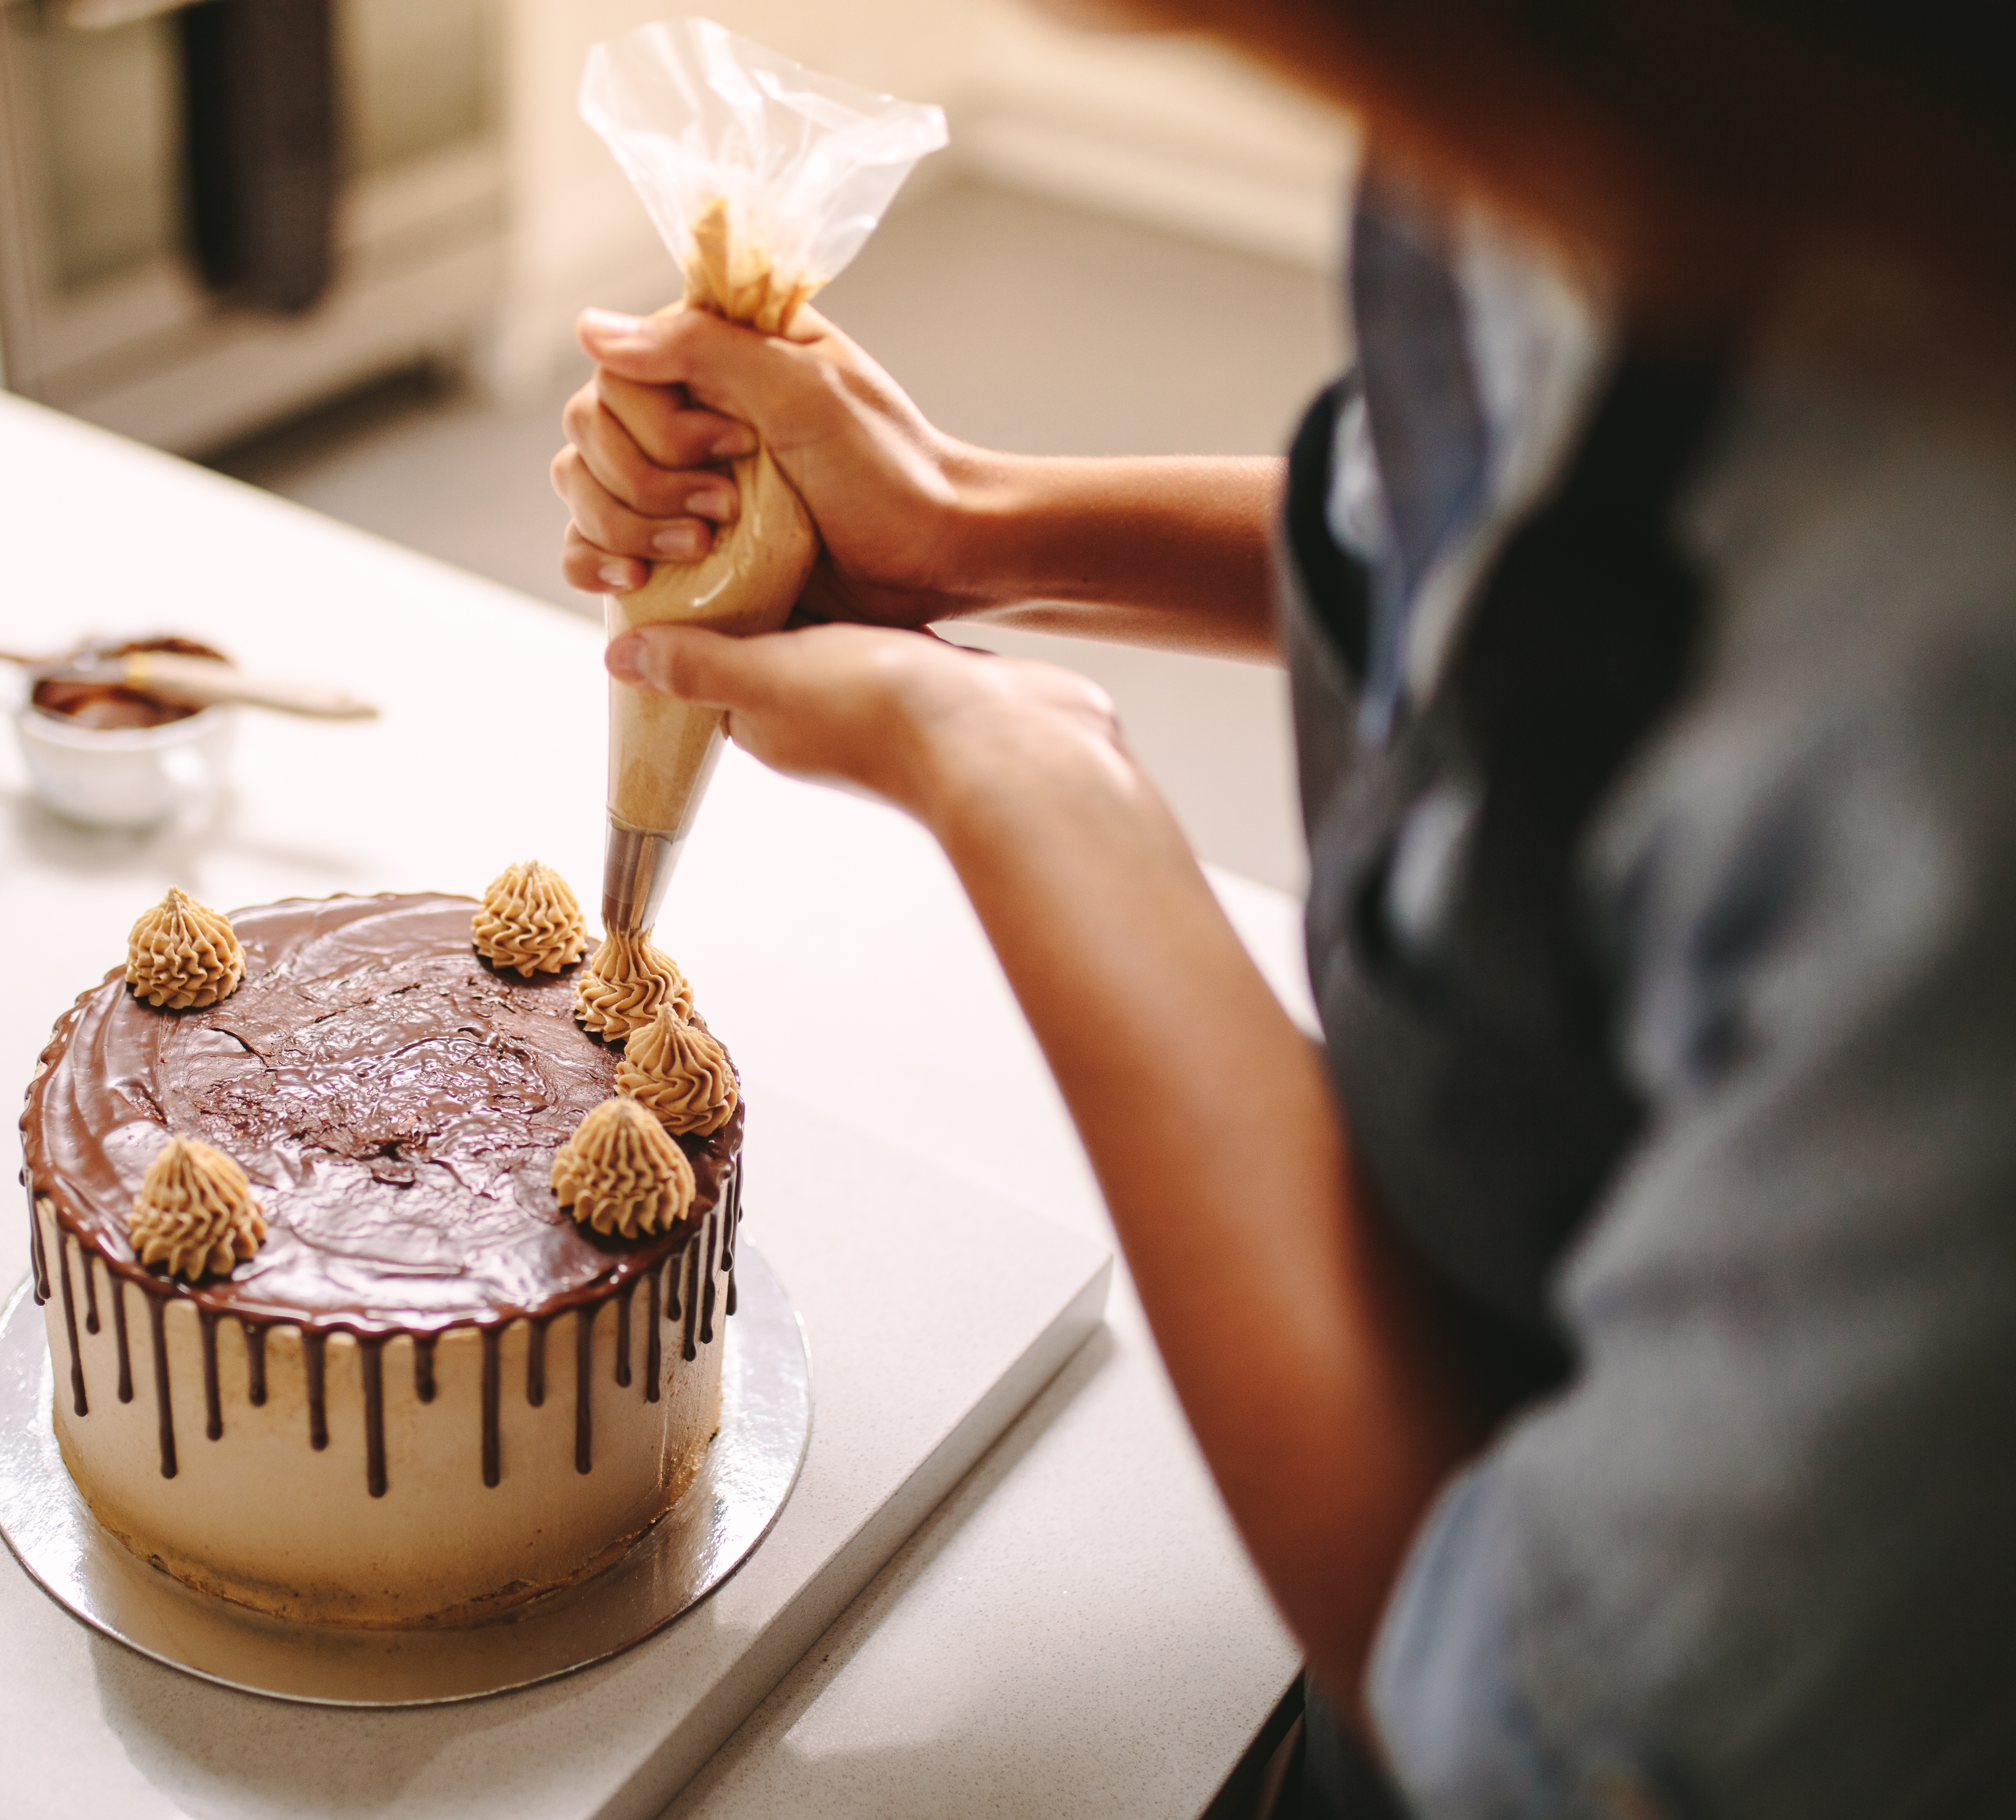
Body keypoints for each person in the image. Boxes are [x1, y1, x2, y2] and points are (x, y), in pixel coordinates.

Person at [550, 4, 2016, 1816]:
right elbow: (1459, 564)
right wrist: (967, 521)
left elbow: (1542, 1726)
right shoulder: (1546, 147)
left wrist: (1035, 791)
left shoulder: (1959, 670)